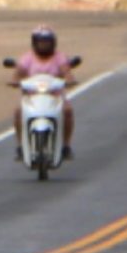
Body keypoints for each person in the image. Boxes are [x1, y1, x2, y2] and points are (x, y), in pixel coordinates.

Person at [11, 24, 76, 160]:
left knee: (68, 111)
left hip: (55, 96)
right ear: (34, 43)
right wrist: (14, 81)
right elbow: (17, 74)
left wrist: (70, 79)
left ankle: (66, 145)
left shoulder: (60, 57)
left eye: (47, 42)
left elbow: (67, 72)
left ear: (53, 42)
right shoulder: (27, 58)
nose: (44, 45)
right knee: (18, 112)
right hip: (32, 96)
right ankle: (20, 146)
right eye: (41, 42)